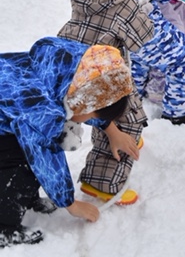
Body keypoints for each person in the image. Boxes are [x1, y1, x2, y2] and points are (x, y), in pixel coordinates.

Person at [0, 36, 134, 247]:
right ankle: (4, 228)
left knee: (27, 149)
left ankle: (25, 197)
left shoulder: (66, 68)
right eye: (94, 115)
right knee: (24, 163)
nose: (90, 118)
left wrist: (111, 130)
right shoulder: (40, 109)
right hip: (13, 120)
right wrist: (70, 203)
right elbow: (46, 158)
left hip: (9, 115)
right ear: (83, 102)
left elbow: (87, 100)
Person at [58, 0, 154, 204]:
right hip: (104, 73)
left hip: (71, 59)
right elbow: (143, 37)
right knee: (128, 118)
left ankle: (113, 140)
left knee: (104, 115)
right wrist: (142, 11)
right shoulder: (124, 4)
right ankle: (103, 182)